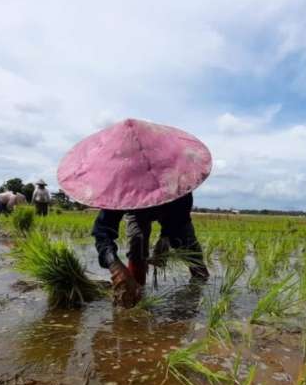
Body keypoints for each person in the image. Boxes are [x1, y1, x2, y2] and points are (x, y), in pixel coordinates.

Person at [57, 118, 213, 308]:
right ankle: (134, 292)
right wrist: (114, 266)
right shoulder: (119, 186)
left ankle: (199, 288)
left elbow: (179, 221)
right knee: (137, 240)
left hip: (172, 210)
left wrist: (165, 239)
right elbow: (102, 232)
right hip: (137, 212)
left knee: (188, 246)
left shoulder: (179, 185)